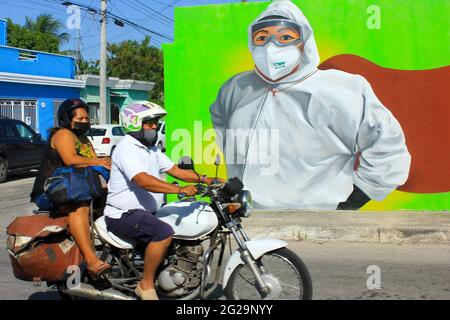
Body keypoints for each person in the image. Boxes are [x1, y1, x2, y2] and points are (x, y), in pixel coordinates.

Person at [209, 0, 411, 210]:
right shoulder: (235, 88)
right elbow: (221, 123)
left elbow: (386, 144)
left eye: (285, 37)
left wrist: (358, 196)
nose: (271, 47)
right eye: (262, 38)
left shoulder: (344, 88)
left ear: (304, 42)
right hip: (250, 214)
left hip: (320, 215)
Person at [104, 101, 219, 300]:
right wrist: (179, 189)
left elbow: (175, 170)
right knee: (163, 233)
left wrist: (208, 179)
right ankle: (146, 285)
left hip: (144, 213)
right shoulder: (127, 148)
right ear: (135, 123)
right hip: (122, 215)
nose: (154, 126)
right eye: (149, 122)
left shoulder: (151, 149)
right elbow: (143, 181)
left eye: (155, 122)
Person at [30, 98, 112, 278]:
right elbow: (71, 159)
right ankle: (91, 261)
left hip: (76, 187)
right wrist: (98, 161)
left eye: (86, 119)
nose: (84, 122)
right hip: (51, 190)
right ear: (67, 119)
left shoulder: (83, 139)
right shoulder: (63, 135)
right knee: (79, 207)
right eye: (79, 119)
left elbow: (91, 161)